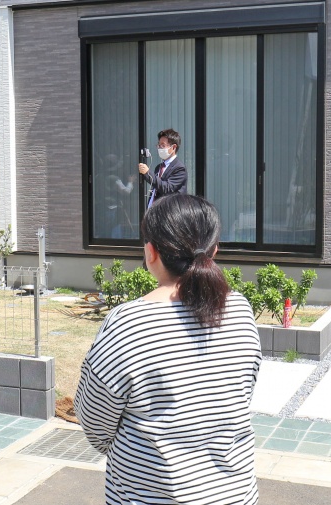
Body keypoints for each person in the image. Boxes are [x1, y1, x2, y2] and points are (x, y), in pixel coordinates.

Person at [74, 194, 261, 505]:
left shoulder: (127, 323)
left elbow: (94, 420)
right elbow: (243, 392)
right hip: (235, 496)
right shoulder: (239, 310)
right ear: (214, 250)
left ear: (151, 252)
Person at [139, 128, 187, 208]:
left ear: (173, 147)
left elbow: (167, 188)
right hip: (154, 211)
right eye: (159, 145)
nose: (159, 148)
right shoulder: (159, 167)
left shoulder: (180, 168)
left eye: (163, 145)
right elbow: (156, 186)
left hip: (169, 212)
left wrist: (148, 173)